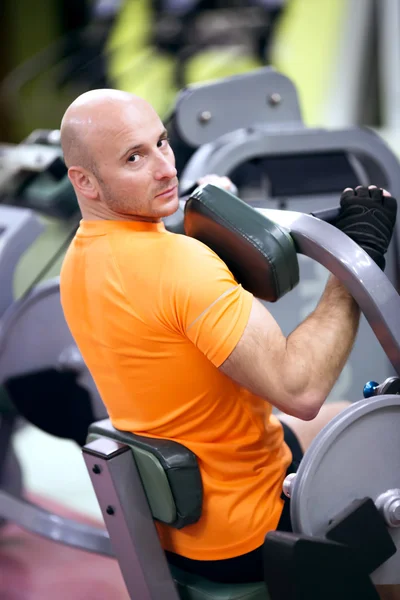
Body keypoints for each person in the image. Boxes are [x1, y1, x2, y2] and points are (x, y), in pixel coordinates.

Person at [59, 89, 397, 589]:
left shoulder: (79, 261)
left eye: (161, 144)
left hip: (181, 522)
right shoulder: (178, 264)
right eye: (134, 158)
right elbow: (300, 390)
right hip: (253, 532)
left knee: (346, 413)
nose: (165, 169)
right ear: (84, 181)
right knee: (388, 452)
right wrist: (356, 256)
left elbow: (164, 303)